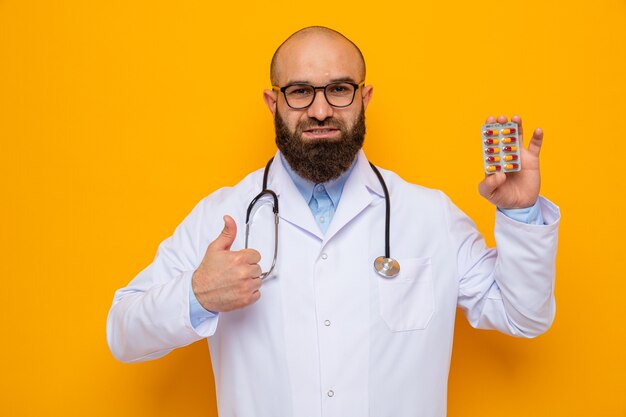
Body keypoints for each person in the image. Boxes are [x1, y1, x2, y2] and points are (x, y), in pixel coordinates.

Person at [107, 26, 560, 417]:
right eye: (300, 91)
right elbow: (123, 333)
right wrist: (197, 295)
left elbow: (524, 317)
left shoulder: (428, 214)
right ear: (272, 101)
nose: (321, 110)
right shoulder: (223, 215)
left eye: (339, 89)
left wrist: (520, 213)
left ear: (364, 98)